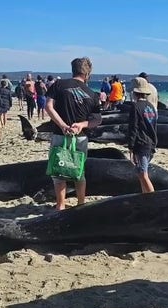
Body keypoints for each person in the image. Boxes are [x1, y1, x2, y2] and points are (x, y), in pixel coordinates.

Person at [45, 57, 102, 210]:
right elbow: (97, 120)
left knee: (59, 170)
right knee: (79, 171)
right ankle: (81, 204)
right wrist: (82, 124)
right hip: (81, 137)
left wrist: (63, 125)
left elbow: (49, 107)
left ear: (73, 70)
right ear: (88, 74)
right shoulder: (92, 93)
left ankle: (61, 205)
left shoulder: (59, 84)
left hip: (60, 134)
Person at [127, 77, 158, 193]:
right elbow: (154, 126)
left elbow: (133, 128)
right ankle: (145, 197)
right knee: (141, 174)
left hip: (141, 144)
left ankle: (153, 200)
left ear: (135, 93)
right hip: (150, 143)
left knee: (143, 174)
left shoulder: (135, 107)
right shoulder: (151, 107)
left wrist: (130, 146)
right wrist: (154, 143)